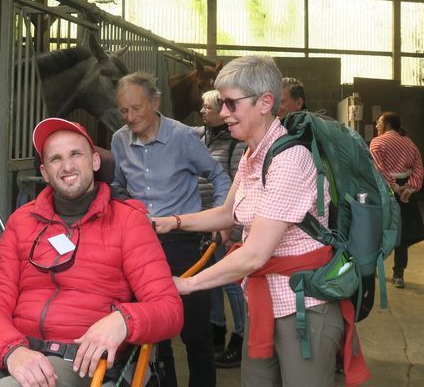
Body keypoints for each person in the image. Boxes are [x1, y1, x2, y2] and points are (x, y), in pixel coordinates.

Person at [153, 56, 369, 387]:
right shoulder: (254, 154)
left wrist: (187, 284)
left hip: (304, 306)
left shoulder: (289, 161)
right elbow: (228, 214)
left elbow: (254, 254)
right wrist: (173, 221)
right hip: (264, 297)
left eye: (230, 103)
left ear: (265, 102)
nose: (223, 112)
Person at [0, 118, 183, 387]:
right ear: (44, 172)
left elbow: (169, 309)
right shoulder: (22, 221)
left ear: (95, 162)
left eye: (76, 154)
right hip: (16, 349)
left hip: (79, 359)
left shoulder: (128, 221)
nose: (67, 166)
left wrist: (123, 320)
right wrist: (11, 351)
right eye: (55, 159)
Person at [111, 73, 231, 387]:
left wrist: (221, 220)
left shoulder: (182, 137)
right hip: (142, 246)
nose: (130, 117)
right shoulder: (119, 140)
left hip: (186, 242)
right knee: (153, 333)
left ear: (155, 102)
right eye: (124, 111)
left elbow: (219, 178)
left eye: (136, 109)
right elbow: (119, 189)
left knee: (196, 333)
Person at [198, 90, 247, 368]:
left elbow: (239, 188)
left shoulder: (235, 143)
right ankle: (217, 328)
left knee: (231, 283)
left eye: (207, 107)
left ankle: (240, 337)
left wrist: (233, 229)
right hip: (208, 222)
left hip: (227, 226)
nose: (203, 111)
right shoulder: (203, 137)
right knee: (212, 277)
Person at [370, 111, 424, 289]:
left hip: (385, 190)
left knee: (379, 230)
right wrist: (409, 188)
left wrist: (394, 187)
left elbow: (379, 169)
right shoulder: (410, 143)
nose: (376, 126)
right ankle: (398, 275)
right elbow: (419, 168)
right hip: (406, 193)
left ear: (387, 125)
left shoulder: (377, 142)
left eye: (379, 122)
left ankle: (373, 268)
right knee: (402, 234)